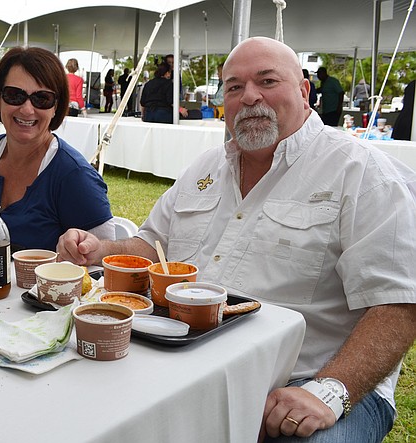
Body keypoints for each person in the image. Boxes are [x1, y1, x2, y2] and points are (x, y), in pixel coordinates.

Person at [57, 37, 416, 443]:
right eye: (233, 87)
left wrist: (330, 391)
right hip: (194, 364)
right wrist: (99, 249)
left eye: (266, 81)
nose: (249, 97)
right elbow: (153, 244)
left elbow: (398, 304)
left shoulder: (363, 173)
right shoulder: (205, 168)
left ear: (303, 91)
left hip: (313, 378)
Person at [0, 47, 114, 251]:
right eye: (14, 95)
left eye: (42, 98)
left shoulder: (74, 176)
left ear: (55, 107)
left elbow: (101, 262)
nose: (27, 109)